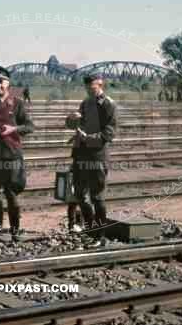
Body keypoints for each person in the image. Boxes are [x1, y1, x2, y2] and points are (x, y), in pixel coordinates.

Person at [0, 66, 34, 241]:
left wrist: (14, 129)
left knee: (10, 193)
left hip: (11, 156)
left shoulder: (17, 103)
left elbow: (29, 126)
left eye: (1, 82)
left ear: (8, 83)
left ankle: (15, 230)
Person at [65, 72, 118, 247]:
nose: (89, 89)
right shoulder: (85, 103)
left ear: (100, 84)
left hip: (96, 157)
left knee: (97, 197)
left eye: (92, 86)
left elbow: (109, 133)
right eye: (87, 86)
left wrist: (88, 137)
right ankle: (91, 231)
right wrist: (71, 119)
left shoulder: (108, 104)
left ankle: (100, 236)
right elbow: (73, 125)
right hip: (80, 155)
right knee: (80, 195)